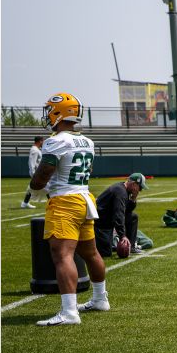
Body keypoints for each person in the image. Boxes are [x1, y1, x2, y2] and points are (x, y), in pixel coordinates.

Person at [28, 92, 108, 325]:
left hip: (65, 201)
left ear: (59, 112)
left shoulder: (56, 140)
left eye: (50, 110)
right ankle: (100, 298)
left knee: (62, 255)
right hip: (84, 198)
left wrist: (34, 187)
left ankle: (69, 312)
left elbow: (44, 173)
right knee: (90, 253)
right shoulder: (87, 141)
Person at [94, 173, 147, 257]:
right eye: (139, 188)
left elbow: (127, 211)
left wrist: (133, 199)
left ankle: (131, 246)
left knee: (133, 217)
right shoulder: (120, 192)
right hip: (100, 224)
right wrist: (122, 236)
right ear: (134, 184)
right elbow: (119, 215)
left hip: (108, 219)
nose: (139, 191)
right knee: (105, 253)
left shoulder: (124, 190)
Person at [21, 136, 44, 208]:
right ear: (40, 141)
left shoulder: (37, 149)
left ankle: (25, 203)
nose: (43, 142)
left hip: (39, 173)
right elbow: (32, 163)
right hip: (37, 173)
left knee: (32, 188)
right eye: (43, 141)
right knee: (48, 186)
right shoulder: (35, 150)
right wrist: (34, 174)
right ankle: (53, 203)